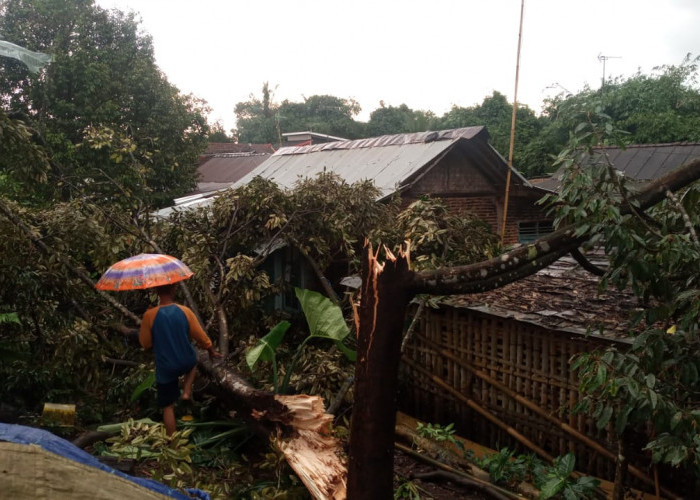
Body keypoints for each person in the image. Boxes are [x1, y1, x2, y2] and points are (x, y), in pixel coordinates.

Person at [139, 283, 222, 435]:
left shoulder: (150, 316)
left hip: (166, 367)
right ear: (174, 289)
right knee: (193, 362)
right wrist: (211, 350)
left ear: (157, 292)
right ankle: (186, 391)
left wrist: (148, 319)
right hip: (186, 360)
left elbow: (145, 344)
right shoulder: (185, 311)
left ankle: (174, 445)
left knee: (168, 407)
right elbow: (201, 336)